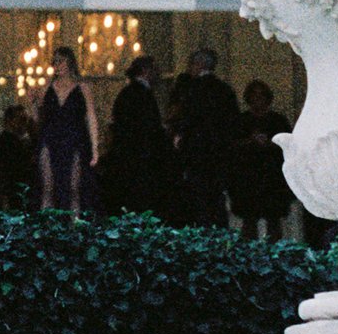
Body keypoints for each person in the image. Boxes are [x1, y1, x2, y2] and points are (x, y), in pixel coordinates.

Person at [169, 47, 242, 230]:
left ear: (199, 64)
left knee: (198, 203)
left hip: (196, 156)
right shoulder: (225, 90)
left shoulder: (192, 90)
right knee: (217, 201)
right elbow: (233, 124)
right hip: (219, 157)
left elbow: (184, 119)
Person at [101, 55, 173, 219]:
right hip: (142, 161)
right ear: (146, 71)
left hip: (127, 159)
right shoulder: (143, 95)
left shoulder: (126, 94)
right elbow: (149, 129)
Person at [34, 47, 99, 213]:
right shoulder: (46, 88)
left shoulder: (83, 88)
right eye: (54, 61)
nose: (58, 65)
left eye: (61, 61)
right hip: (51, 139)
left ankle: (74, 229)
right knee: (47, 187)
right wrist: (33, 103)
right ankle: (46, 228)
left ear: (70, 63)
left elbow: (90, 117)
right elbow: (38, 118)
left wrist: (95, 148)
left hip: (74, 139)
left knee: (74, 188)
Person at [229, 80, 296, 240]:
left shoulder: (277, 120)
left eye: (261, 96)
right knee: (249, 220)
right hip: (249, 178)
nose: (258, 100)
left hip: (272, 177)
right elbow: (232, 145)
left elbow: (288, 145)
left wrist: (270, 144)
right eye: (254, 96)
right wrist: (250, 141)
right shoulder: (242, 120)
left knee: (274, 221)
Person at [0, 105, 36, 211]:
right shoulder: (7, 141)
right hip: (15, 188)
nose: (25, 123)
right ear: (10, 120)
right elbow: (13, 166)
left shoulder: (14, 140)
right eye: (22, 119)